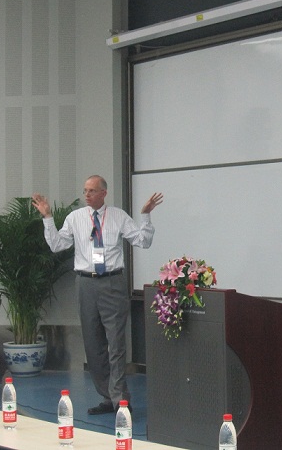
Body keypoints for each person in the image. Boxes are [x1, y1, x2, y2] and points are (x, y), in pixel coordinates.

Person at [32, 175, 163, 415]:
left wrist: (145, 215)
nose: (87, 195)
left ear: (104, 193)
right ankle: (108, 397)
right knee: (93, 344)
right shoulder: (75, 218)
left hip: (113, 282)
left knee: (116, 343)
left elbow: (143, 241)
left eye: (92, 191)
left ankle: (120, 399)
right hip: (85, 283)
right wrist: (47, 217)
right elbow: (57, 245)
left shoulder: (118, 216)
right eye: (85, 190)